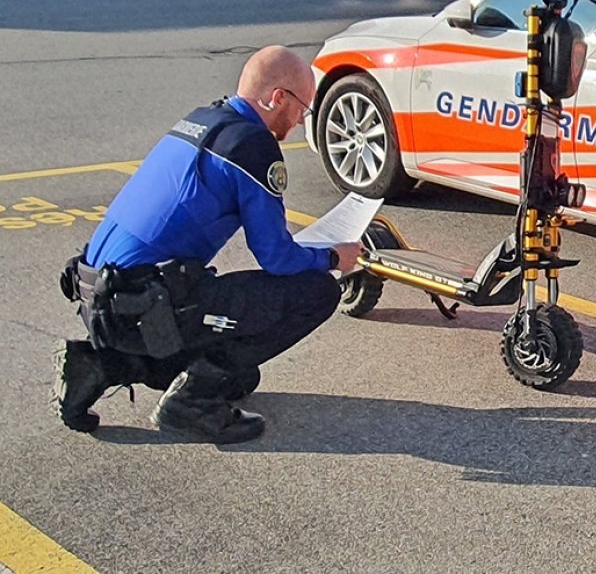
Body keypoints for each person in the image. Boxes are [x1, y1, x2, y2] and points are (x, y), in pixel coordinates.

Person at [53, 45, 364, 444]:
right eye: (303, 107)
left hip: (100, 295)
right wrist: (335, 256)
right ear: (277, 98)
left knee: (240, 376)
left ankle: (94, 365)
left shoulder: (202, 120)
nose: (303, 121)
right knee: (317, 290)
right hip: (144, 303)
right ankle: (191, 406)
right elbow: (276, 257)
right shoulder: (251, 146)